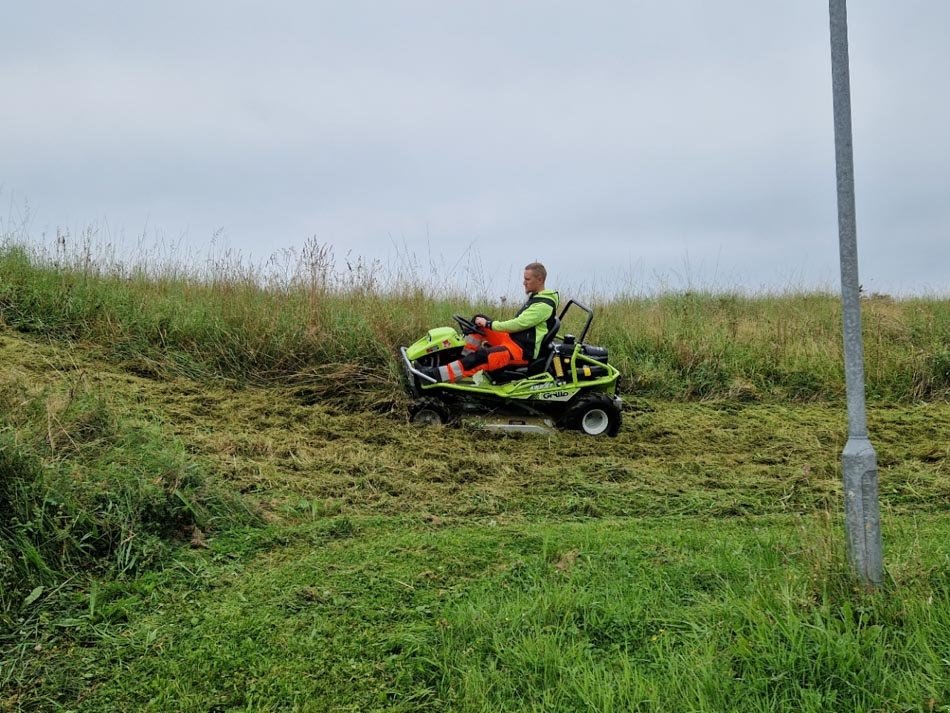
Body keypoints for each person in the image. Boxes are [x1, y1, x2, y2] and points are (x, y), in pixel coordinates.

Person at [421, 262, 559, 383]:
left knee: (482, 356)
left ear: (539, 280)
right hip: (512, 340)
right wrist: (485, 323)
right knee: (478, 320)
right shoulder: (538, 297)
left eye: (527, 279)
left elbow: (517, 324)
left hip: (519, 351)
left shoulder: (543, 305)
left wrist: (489, 324)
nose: (524, 282)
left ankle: (432, 377)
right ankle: (463, 358)